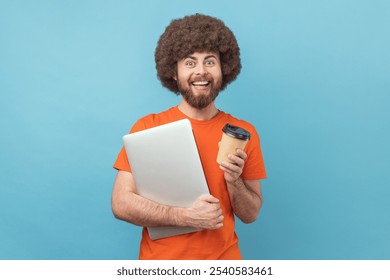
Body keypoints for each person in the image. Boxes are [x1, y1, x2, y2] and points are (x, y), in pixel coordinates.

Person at [112, 14, 266, 260]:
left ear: (224, 69)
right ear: (174, 72)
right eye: (190, 62)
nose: (201, 72)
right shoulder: (148, 127)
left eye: (210, 61)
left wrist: (234, 180)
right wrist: (183, 217)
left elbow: (251, 214)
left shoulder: (243, 133)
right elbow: (121, 204)